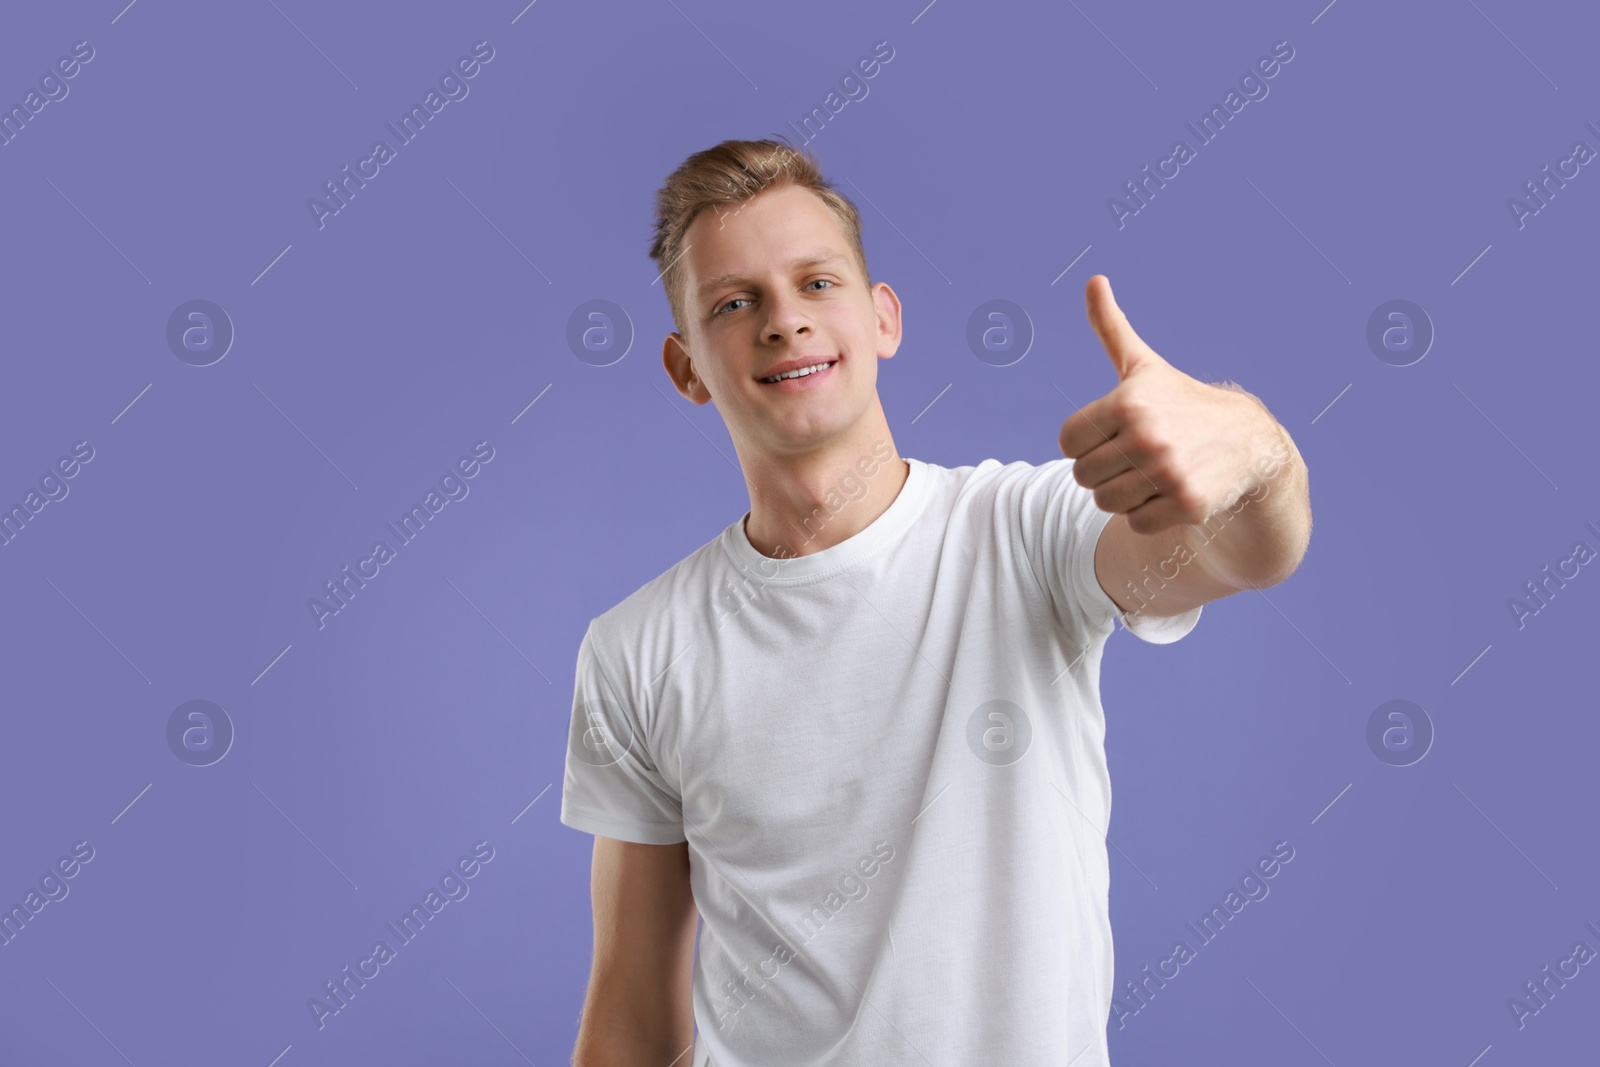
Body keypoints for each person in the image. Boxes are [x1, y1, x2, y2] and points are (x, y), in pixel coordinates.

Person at [560, 137, 1311, 1066]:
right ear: (686, 368)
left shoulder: (1026, 531)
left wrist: (1249, 448)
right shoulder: (636, 649)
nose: (784, 321)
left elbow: (1249, 551)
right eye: (734, 302)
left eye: (818, 283)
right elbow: (631, 1009)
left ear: (884, 319)